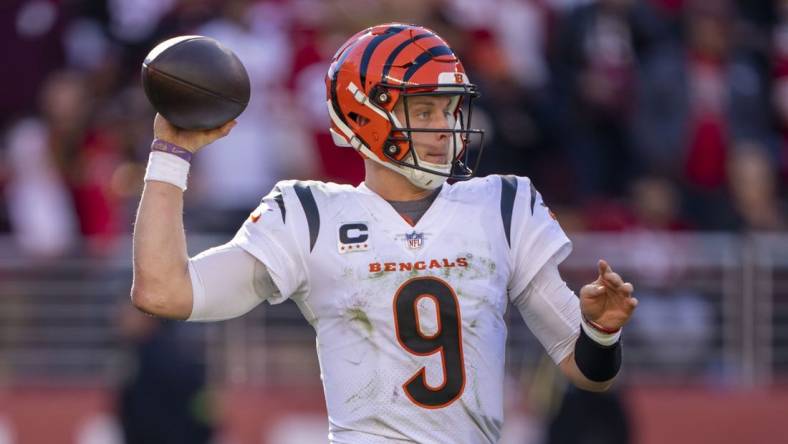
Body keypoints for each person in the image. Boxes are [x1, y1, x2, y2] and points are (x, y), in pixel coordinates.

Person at [131, 23, 638, 444]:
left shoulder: (501, 205)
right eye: (423, 110)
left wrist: (601, 331)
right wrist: (170, 152)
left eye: (448, 108)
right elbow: (163, 292)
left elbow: (588, 371)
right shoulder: (307, 214)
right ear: (363, 114)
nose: (444, 127)